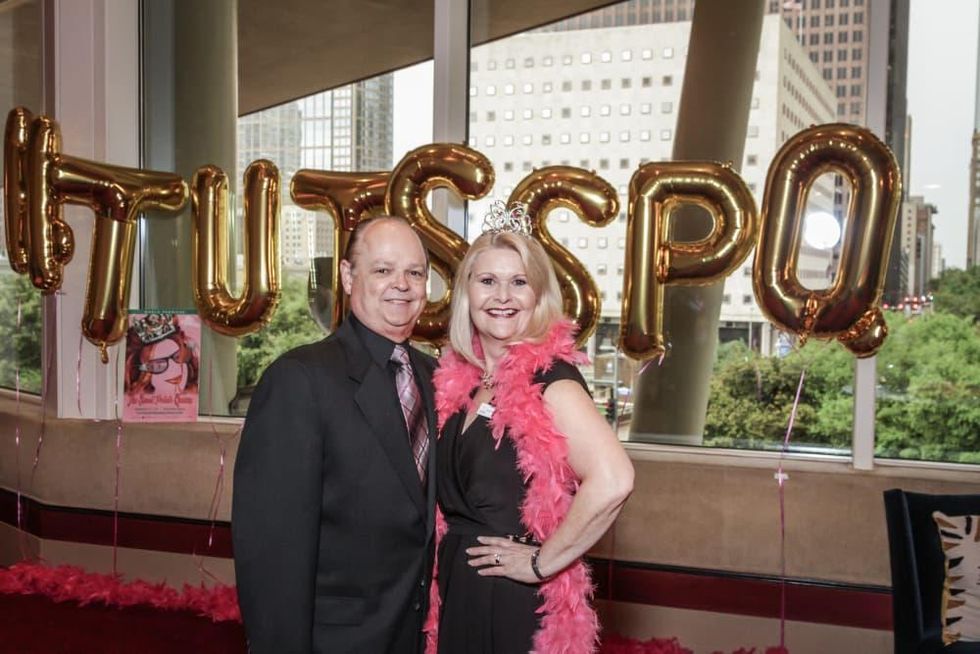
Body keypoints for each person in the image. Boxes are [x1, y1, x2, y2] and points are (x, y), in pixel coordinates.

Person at [423, 219, 635, 654]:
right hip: (460, 591)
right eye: (487, 281)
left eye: (518, 282)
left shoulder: (550, 382)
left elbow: (614, 479)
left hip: (515, 603)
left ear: (538, 296)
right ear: (467, 295)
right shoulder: (461, 383)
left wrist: (543, 563)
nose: (502, 296)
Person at [232, 216, 438, 654]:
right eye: (383, 270)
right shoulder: (299, 380)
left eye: (414, 273)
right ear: (348, 276)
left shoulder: (437, 379)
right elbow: (273, 552)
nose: (401, 284)